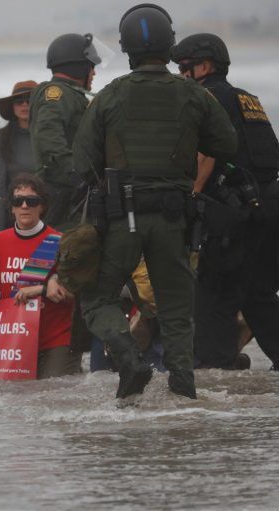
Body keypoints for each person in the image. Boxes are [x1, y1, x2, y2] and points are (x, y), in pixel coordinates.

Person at [73, 4, 237, 400]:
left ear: (127, 49)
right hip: (173, 218)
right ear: (170, 45)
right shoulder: (194, 95)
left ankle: (130, 359)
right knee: (178, 311)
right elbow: (226, 145)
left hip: (121, 217)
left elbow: (82, 162)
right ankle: (183, 392)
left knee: (97, 297)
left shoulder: (109, 96)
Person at [171, 33, 279, 371]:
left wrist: (193, 197)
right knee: (258, 295)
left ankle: (217, 377)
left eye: (184, 67)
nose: (179, 74)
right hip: (269, 209)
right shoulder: (250, 100)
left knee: (213, 298)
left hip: (233, 216)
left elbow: (206, 154)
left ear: (204, 66)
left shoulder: (205, 97)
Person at [0, 173, 81, 378]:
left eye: (32, 201)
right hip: (13, 341)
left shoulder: (60, 242)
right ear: (12, 207)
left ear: (42, 206)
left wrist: (41, 289)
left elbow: (77, 292)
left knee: (56, 399)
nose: (25, 206)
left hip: (55, 340)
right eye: (19, 201)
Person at [29, 32, 101, 231]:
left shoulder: (72, 95)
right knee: (61, 252)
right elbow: (49, 138)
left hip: (72, 194)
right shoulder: (57, 94)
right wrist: (78, 176)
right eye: (91, 66)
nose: (93, 73)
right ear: (78, 66)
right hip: (63, 195)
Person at [0, 80, 37, 234]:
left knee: (40, 258)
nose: (24, 105)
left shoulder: (49, 137)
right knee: (5, 258)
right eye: (19, 101)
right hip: (5, 217)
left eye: (29, 100)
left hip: (41, 214)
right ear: (13, 106)